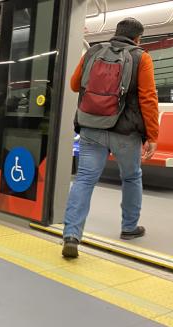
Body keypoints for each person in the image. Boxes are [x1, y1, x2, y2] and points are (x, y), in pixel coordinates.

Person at [61, 18, 159, 258]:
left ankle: (72, 235)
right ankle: (129, 227)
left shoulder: (94, 51)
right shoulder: (141, 57)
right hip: (125, 132)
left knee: (84, 179)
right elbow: (148, 98)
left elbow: (75, 85)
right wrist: (153, 135)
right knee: (131, 176)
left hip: (91, 127)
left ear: (116, 33)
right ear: (138, 38)